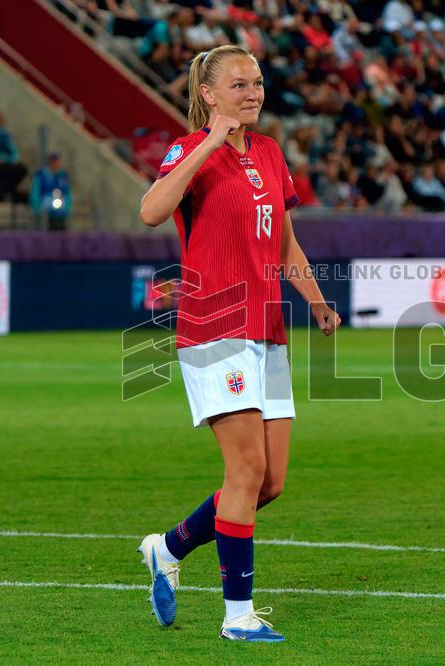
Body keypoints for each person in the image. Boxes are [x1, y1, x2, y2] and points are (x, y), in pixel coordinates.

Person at [136, 45, 340, 642]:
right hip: (214, 324)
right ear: (209, 94)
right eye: (239, 84)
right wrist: (207, 141)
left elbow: (284, 241)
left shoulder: (272, 154)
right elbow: (151, 211)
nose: (253, 92)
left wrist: (317, 302)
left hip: (268, 331)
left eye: (257, 83)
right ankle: (236, 616)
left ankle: (168, 549)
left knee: (270, 481)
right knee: (246, 469)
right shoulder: (187, 151)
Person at [29, 152, 71, 230]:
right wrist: (35, 207)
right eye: (53, 162)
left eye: (57, 162)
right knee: (48, 207)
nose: (55, 164)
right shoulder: (41, 174)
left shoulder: (63, 175)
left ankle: (60, 229)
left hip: (60, 202)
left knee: (61, 209)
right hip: (45, 201)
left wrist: (68, 208)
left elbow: (67, 192)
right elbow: (35, 191)